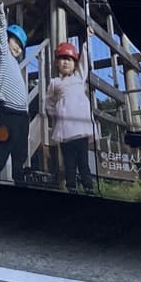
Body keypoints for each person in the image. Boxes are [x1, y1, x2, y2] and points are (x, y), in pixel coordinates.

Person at [0, 23, 34, 185]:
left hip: (22, 116)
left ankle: (19, 181)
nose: (18, 48)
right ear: (7, 40)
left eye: (21, 46)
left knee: (20, 153)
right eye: (16, 42)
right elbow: (0, 29)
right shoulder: (4, 55)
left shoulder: (16, 65)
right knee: (3, 148)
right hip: (8, 113)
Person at [43, 40, 96, 194]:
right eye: (62, 59)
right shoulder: (55, 83)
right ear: (57, 63)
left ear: (75, 64)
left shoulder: (79, 77)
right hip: (65, 131)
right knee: (69, 163)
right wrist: (56, 115)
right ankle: (71, 187)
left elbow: (85, 61)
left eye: (69, 59)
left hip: (81, 130)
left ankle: (88, 188)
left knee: (83, 162)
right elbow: (49, 102)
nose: (65, 62)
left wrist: (87, 42)